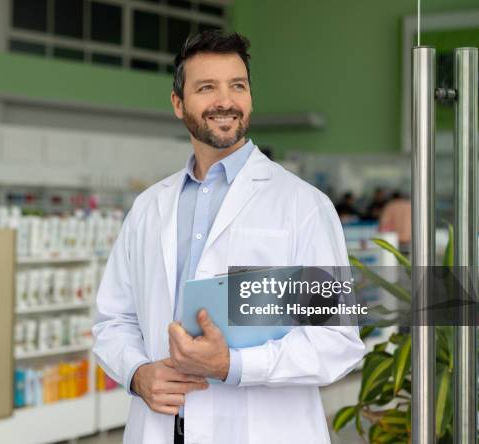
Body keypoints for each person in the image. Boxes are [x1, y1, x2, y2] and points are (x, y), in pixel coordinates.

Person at [92, 30, 365, 444]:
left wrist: (233, 365)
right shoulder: (150, 207)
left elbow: (336, 339)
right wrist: (136, 374)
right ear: (178, 103)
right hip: (163, 429)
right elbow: (114, 319)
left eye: (237, 85)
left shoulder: (302, 205)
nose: (226, 101)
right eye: (206, 88)